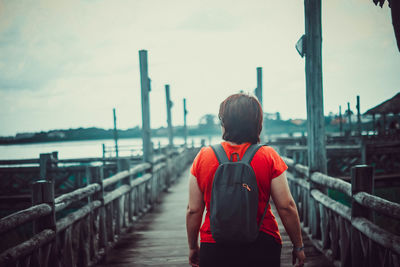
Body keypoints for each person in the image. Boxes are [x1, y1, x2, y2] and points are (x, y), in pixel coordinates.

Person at [186, 93, 305, 267]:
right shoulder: (268, 155)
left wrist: (192, 247)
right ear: (257, 123)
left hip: (214, 244)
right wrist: (298, 245)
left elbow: (193, 210)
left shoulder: (204, 156)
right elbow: (286, 206)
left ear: (225, 123)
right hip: (262, 242)